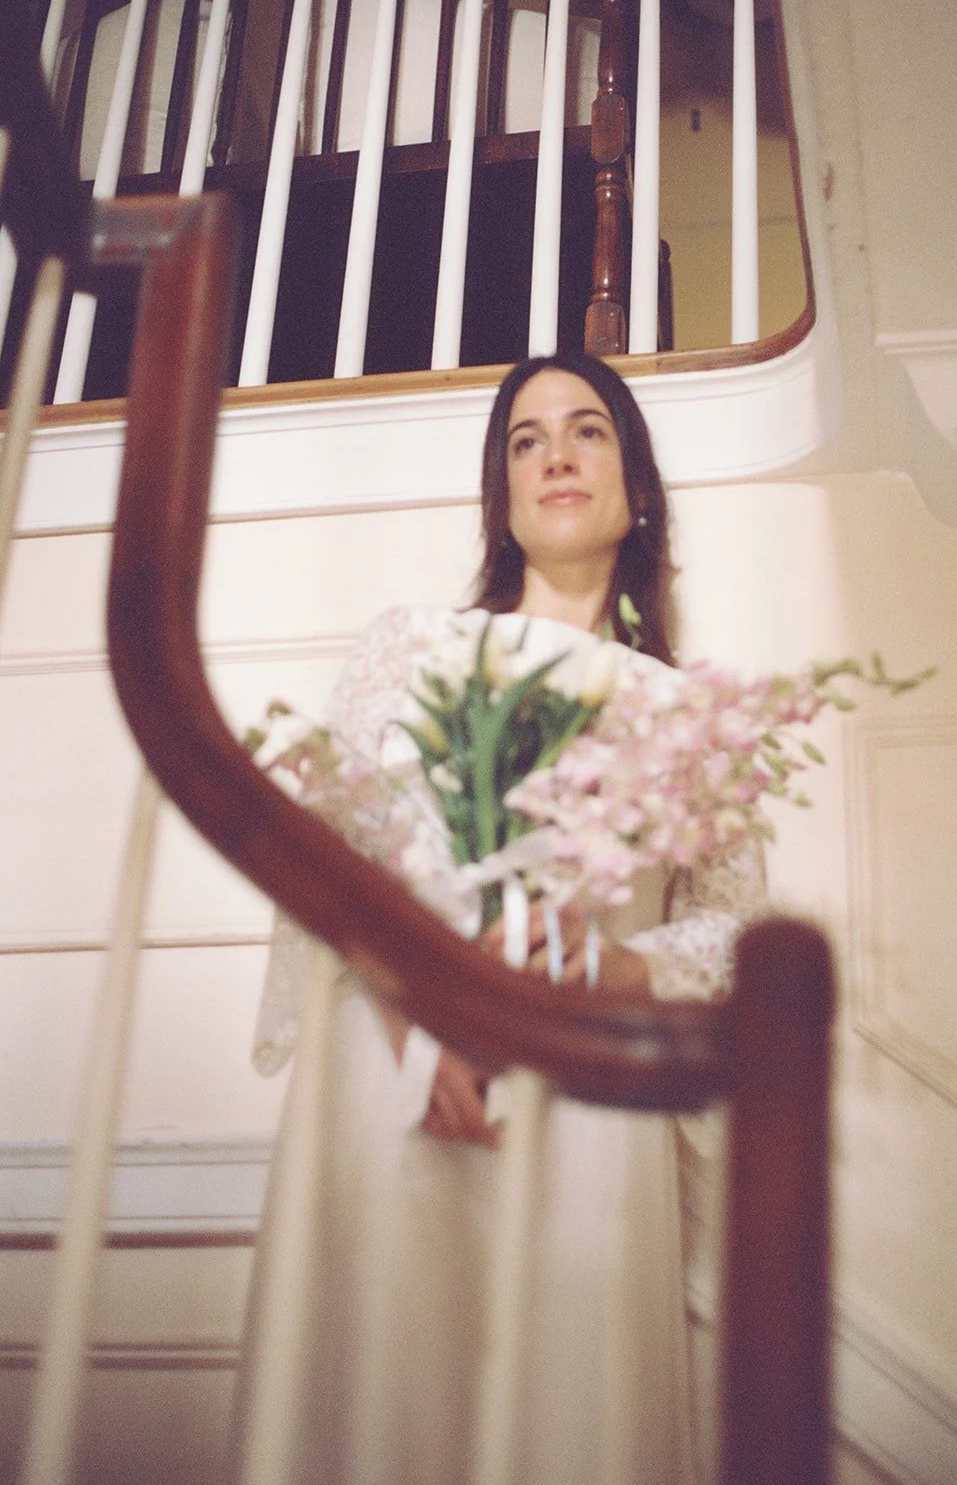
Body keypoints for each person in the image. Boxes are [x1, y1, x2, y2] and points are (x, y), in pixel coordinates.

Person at [242, 351, 763, 1485]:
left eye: (587, 431)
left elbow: (728, 934)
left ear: (638, 490)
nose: (557, 455)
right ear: (503, 493)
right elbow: (330, 854)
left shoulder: (695, 717)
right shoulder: (404, 647)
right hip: (391, 1079)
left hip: (580, 1096)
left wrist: (616, 963)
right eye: (526, 440)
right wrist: (422, 1016)